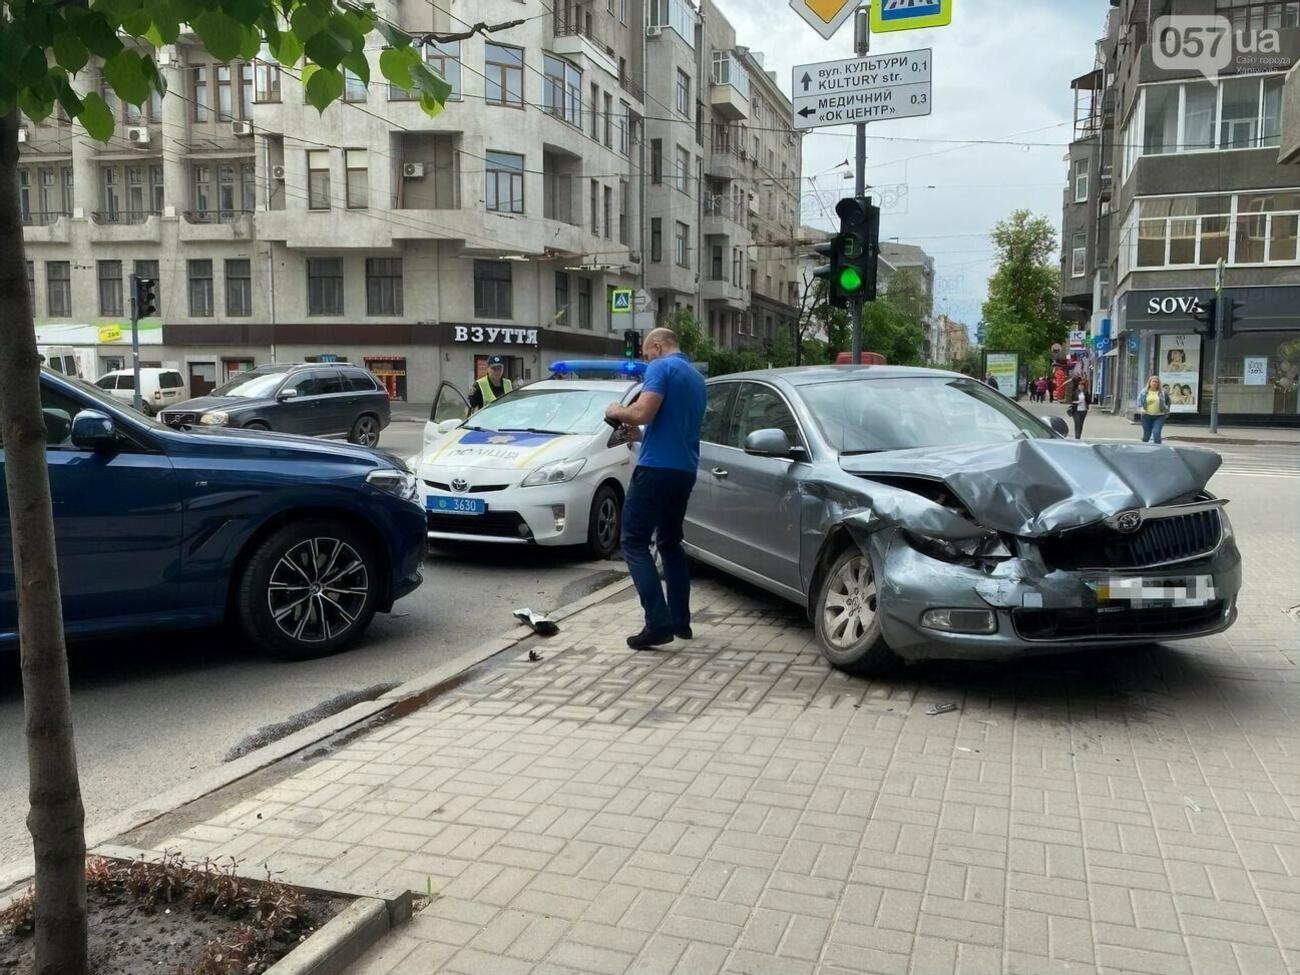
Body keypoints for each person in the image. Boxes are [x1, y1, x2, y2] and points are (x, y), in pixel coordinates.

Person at [604, 328, 707, 651]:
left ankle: (657, 623)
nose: (647, 361)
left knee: (633, 542)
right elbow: (670, 427)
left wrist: (616, 410)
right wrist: (638, 435)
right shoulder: (696, 378)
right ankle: (680, 621)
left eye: (647, 355)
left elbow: (642, 411)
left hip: (655, 471)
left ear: (658, 347)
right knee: (670, 542)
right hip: (684, 470)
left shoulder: (661, 368)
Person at [1137, 375, 1171, 444]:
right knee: (1146, 435)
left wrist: (1167, 411)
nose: (1154, 383)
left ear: (1158, 383)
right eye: (1153, 381)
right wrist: (1141, 408)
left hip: (1159, 416)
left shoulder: (1163, 392)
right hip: (1146, 416)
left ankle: (1158, 449)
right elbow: (1139, 401)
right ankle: (1143, 448)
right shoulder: (1144, 392)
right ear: (1149, 382)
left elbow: (1168, 402)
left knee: (1156, 433)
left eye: (1156, 382)